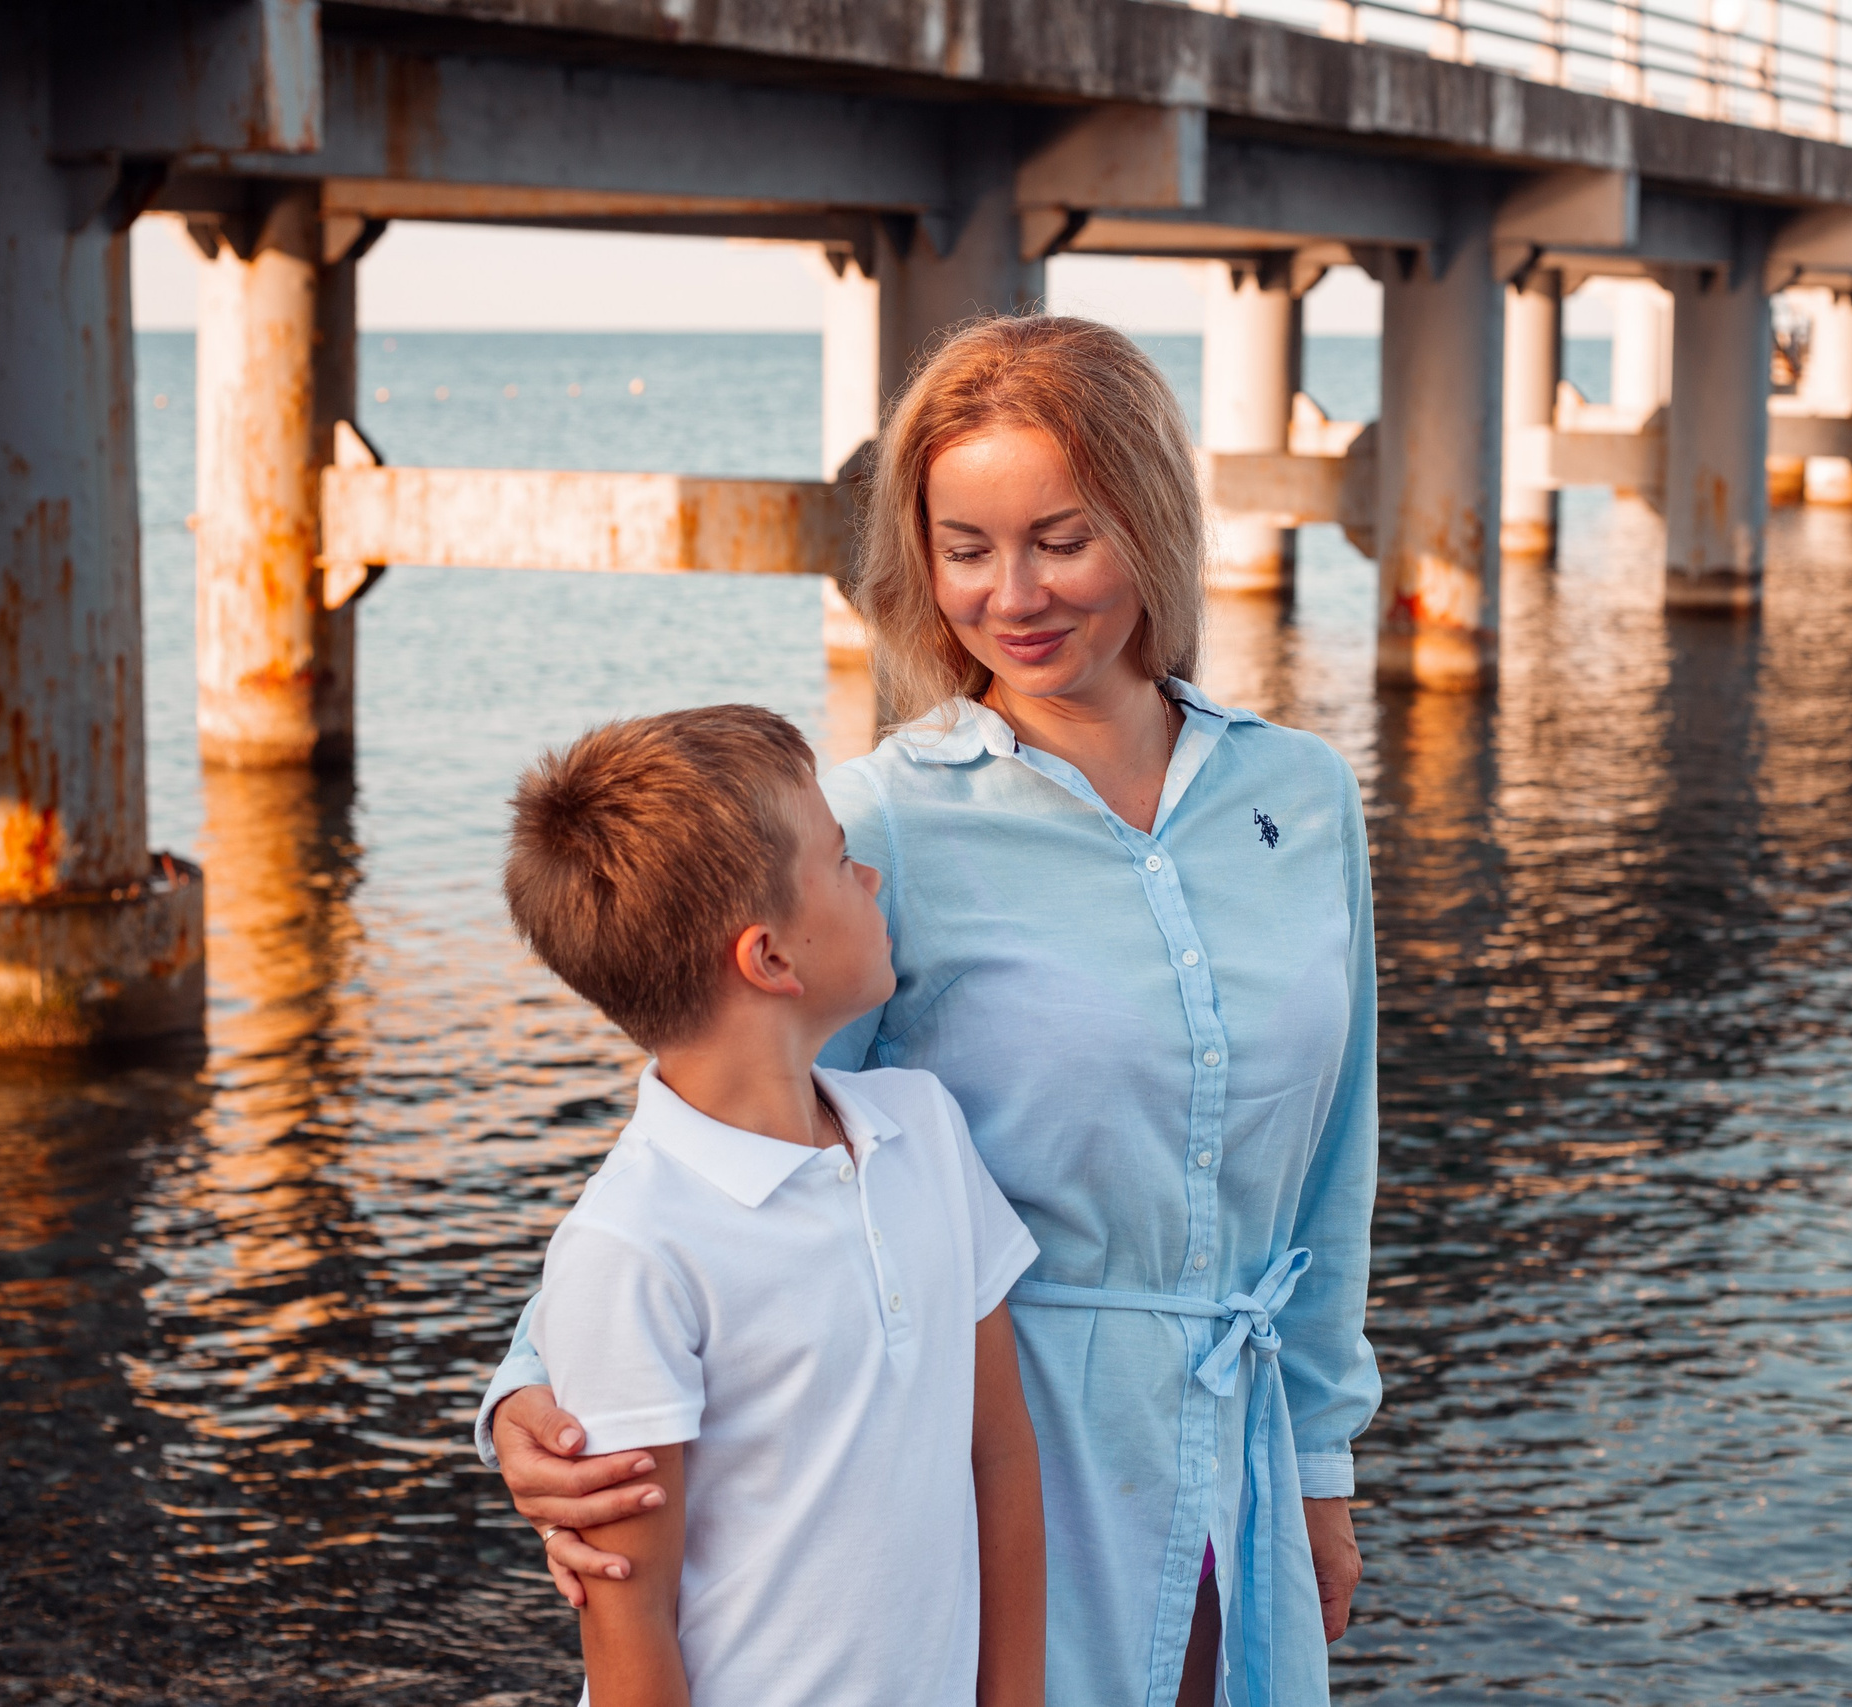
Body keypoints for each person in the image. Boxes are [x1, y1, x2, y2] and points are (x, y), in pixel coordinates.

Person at [479, 316, 1379, 1707]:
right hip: (1010, 1468)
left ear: (1148, 519)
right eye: (965, 548)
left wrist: (1321, 1461)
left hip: (1240, 1469)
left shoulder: (1302, 794)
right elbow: (715, 1117)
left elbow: (1335, 1167)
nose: (1011, 593)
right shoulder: (878, 826)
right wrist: (533, 1391)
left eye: (1059, 537)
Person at [498, 705, 1045, 1707]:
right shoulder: (631, 1247)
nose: (871, 878)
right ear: (770, 960)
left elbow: (1001, 1456)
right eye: (841, 862)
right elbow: (629, 1634)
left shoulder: (923, 1131)